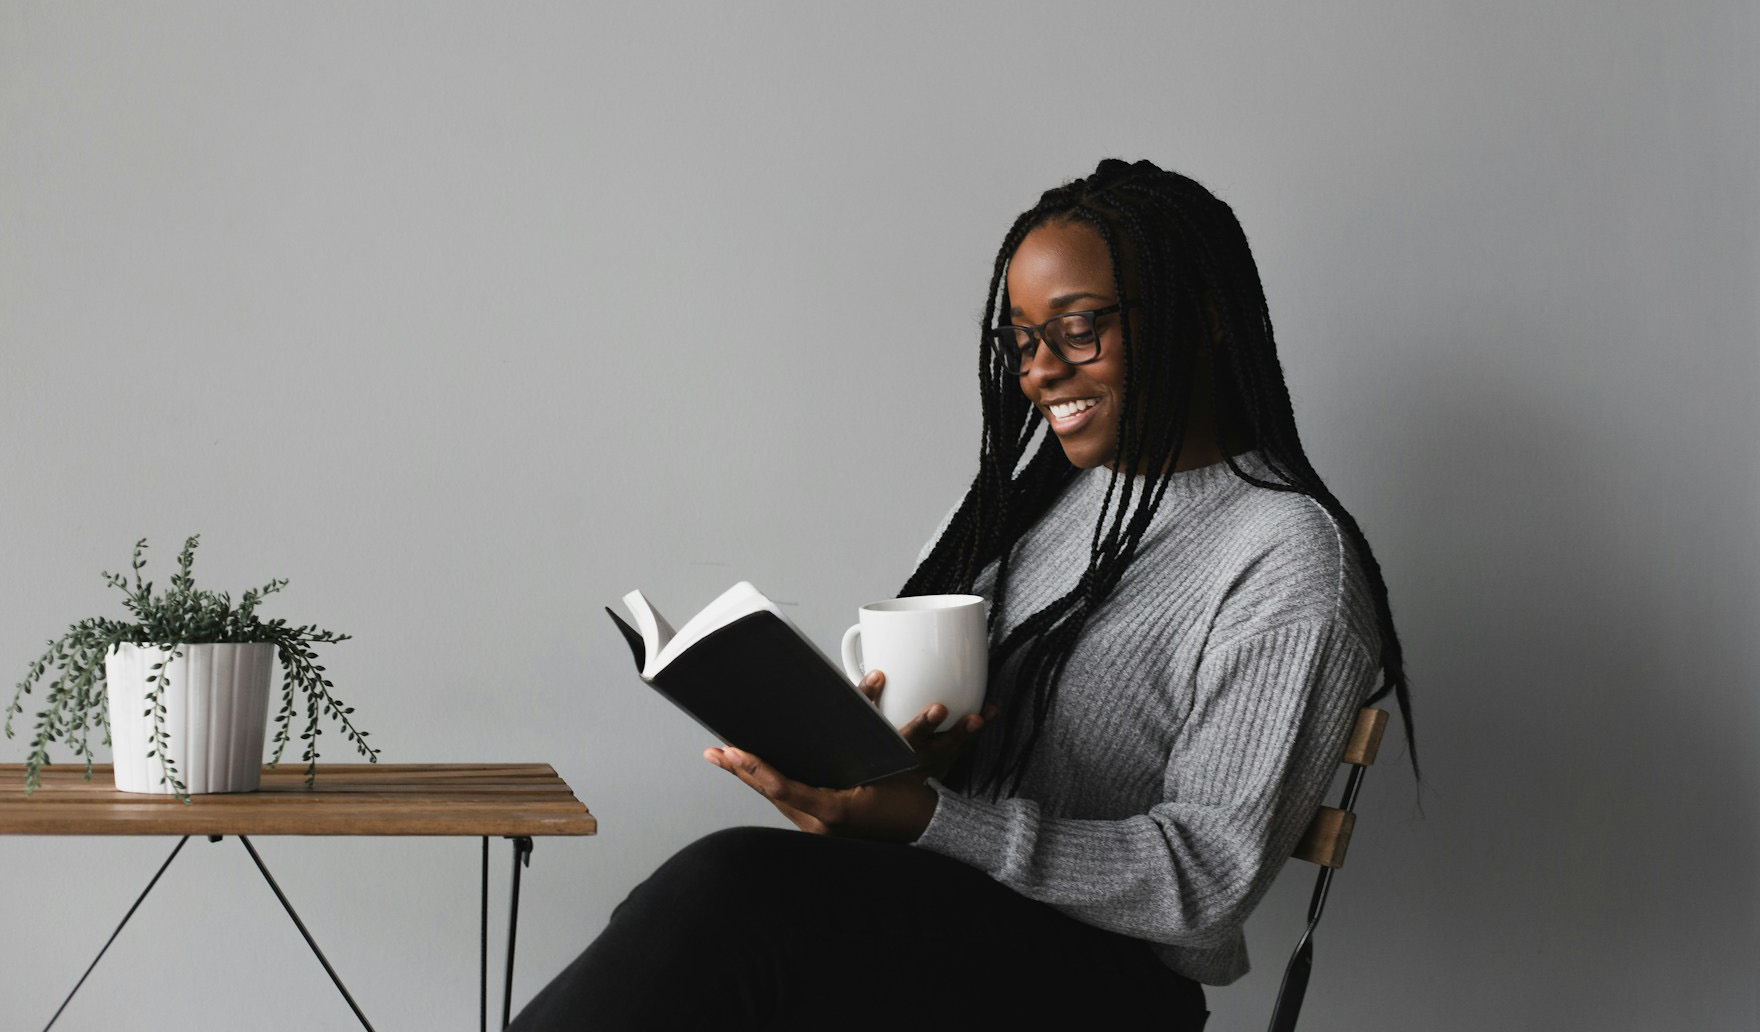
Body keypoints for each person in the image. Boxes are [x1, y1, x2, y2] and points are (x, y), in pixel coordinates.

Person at [511, 158, 1414, 1031]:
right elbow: (969, 776)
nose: (1038, 370)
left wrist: (938, 819)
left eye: (1078, 327)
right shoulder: (1027, 506)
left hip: (1105, 987)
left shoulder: (1288, 556)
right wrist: (891, 777)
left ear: (1205, 316)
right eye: (1021, 340)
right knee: (694, 921)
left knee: (728, 896)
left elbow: (1206, 881)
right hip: (955, 926)